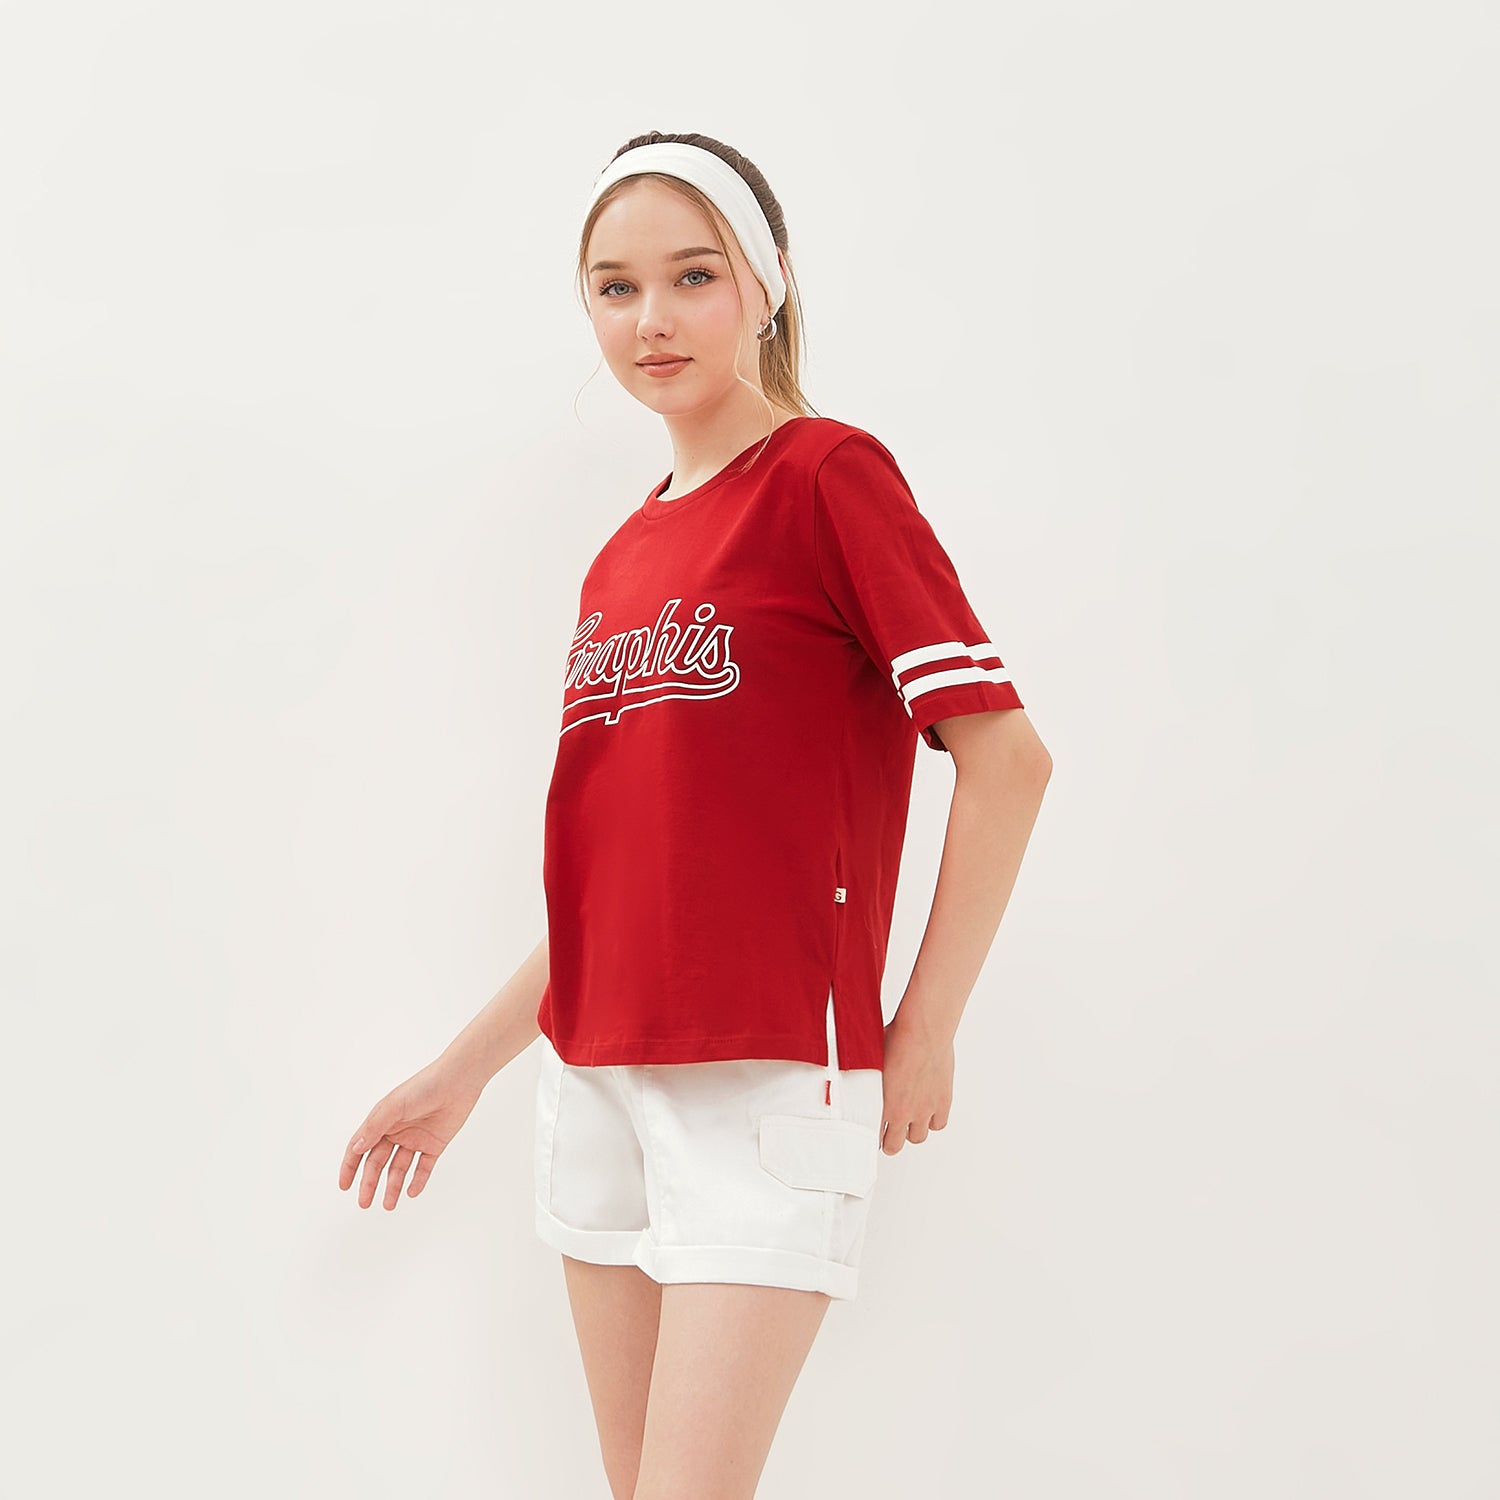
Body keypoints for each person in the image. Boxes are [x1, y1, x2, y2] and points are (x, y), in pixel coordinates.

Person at [338, 130, 1053, 1500]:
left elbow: (1007, 758)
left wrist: (924, 1025)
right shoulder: (623, 551)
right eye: (615, 288)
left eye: (692, 276)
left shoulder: (829, 478)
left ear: (764, 286)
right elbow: (614, 885)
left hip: (770, 1077)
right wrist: (461, 1071)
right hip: (596, 1076)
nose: (652, 319)